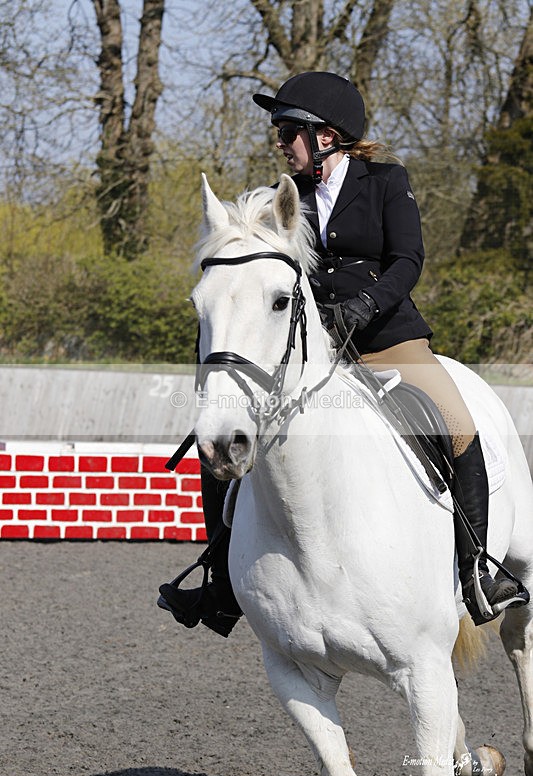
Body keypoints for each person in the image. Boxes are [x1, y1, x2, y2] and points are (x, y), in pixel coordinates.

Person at [159, 71, 527, 635]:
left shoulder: (385, 181)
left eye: (288, 131)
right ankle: (221, 580)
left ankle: (478, 568)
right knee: (224, 436)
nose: (280, 142)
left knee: (455, 423)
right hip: (311, 348)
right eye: (280, 133)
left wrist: (366, 304)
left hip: (387, 338)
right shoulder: (285, 197)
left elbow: (407, 260)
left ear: (325, 135)